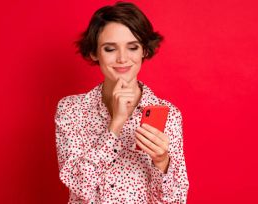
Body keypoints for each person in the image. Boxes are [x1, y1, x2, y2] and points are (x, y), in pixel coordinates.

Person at [55, 2, 189, 203]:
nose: (123, 58)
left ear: (143, 50)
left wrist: (162, 162)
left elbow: (175, 200)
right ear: (94, 53)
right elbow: (81, 186)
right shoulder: (71, 110)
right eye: (110, 49)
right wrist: (115, 125)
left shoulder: (168, 114)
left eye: (133, 47)